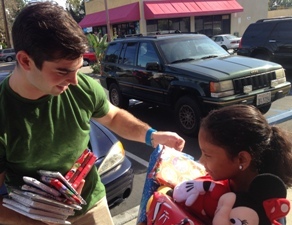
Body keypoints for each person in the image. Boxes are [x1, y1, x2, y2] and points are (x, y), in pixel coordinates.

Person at [0, 2, 185, 225]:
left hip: (91, 206)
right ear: (25, 60)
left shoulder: (81, 87)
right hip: (31, 218)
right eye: (62, 71)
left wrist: (152, 136)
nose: (74, 81)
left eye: (77, 69)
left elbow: (114, 117)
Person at [198, 104, 292, 223]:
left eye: (207, 155)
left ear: (242, 159)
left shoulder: (264, 212)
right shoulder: (229, 181)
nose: (201, 161)